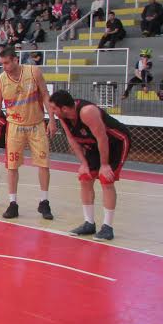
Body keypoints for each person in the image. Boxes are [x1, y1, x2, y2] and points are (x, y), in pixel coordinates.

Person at [48, 90, 130, 242]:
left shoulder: (87, 112)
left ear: (64, 108)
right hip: (94, 144)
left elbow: (102, 138)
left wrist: (104, 165)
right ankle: (89, 223)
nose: (51, 112)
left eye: (53, 108)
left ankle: (107, 227)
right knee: (85, 177)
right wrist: (84, 164)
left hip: (115, 143)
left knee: (106, 179)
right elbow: (72, 140)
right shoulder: (64, 117)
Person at [0, 46, 56, 221]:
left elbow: (45, 95)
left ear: (15, 60)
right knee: (11, 166)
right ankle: (13, 203)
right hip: (14, 126)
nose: (3, 66)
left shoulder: (34, 72)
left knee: (44, 164)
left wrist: (52, 119)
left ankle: (44, 201)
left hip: (37, 124)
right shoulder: (1, 80)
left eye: (6, 63)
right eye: (1, 63)